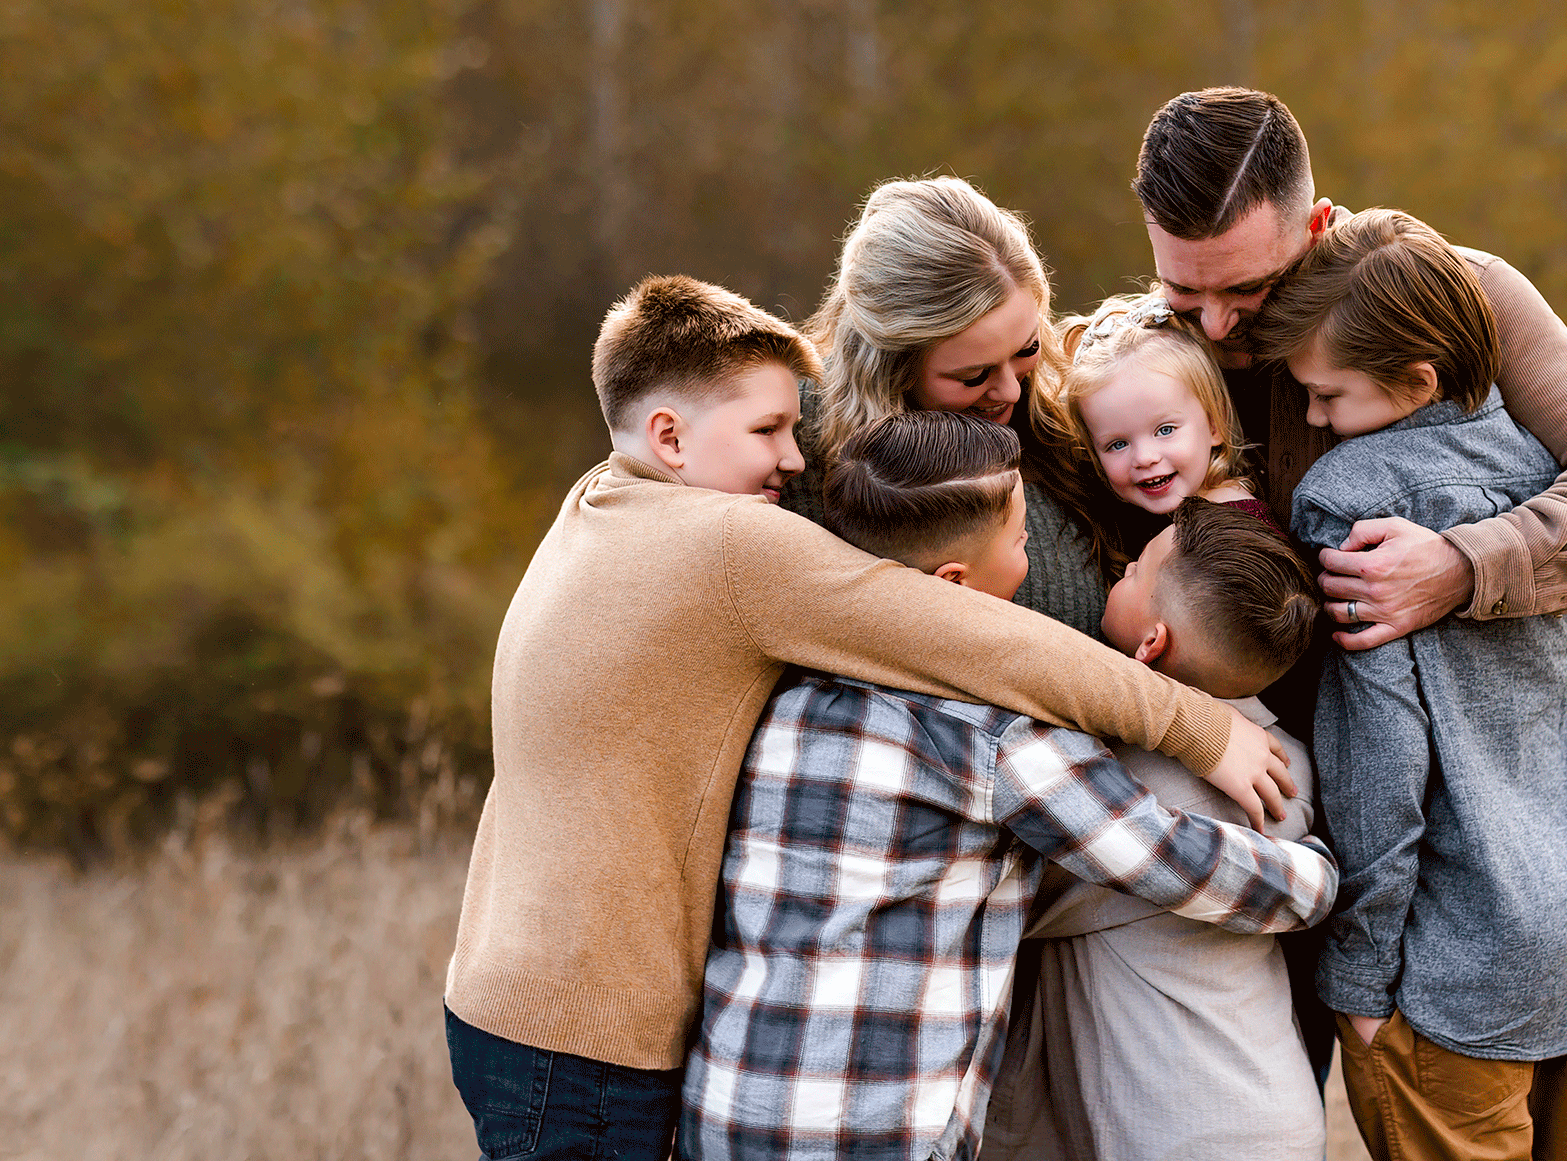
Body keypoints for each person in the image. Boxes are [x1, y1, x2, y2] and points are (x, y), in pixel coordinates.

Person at [442, 276, 1296, 1161]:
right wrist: (1198, 726)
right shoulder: (732, 545)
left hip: (508, 994)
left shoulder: (599, 501)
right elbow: (975, 639)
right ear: (669, 436)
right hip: (589, 1029)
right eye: (768, 431)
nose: (795, 459)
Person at [681, 414, 1338, 1161]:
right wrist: (1317, 874)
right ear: (954, 584)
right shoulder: (999, 740)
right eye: (1025, 542)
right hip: (880, 1127)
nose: (1036, 561)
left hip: (734, 1103)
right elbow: (1165, 855)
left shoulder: (787, 694)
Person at [1255, 211, 1567, 1161]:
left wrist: (1358, 983)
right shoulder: (1544, 473)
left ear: (1416, 380)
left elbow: (1380, 777)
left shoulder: (1352, 504)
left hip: (1447, 977)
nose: (1311, 420)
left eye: (1327, 396)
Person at [1130, 86, 1567, 646]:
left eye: (1247, 288)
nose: (1213, 326)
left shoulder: (1458, 300)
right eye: (1182, 289)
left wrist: (1461, 567)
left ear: (1317, 223)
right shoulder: (1131, 352)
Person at [983, 498, 1327, 1161]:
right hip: (1268, 1106)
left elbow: (1013, 900)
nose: (1119, 572)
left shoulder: (1125, 783)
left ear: (1152, 644)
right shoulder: (1291, 768)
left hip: (1186, 1128)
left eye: (1135, 570)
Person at [788, 174, 1126, 642]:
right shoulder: (793, 450)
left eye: (1026, 349)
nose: (1009, 390)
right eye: (974, 376)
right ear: (894, 364)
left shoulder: (1079, 414)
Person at [1032, 289, 1276, 532]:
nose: (1144, 458)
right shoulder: (1154, 524)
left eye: (1165, 430)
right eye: (1117, 444)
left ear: (1215, 424)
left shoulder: (1230, 528)